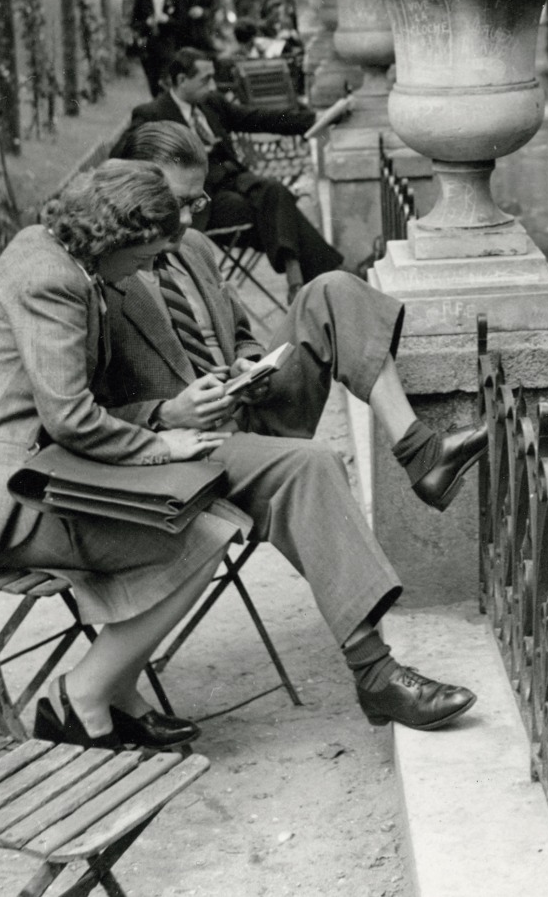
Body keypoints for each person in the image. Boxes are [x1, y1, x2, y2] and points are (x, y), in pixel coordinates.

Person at [98, 120, 489, 730]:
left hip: (242, 406)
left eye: (196, 202)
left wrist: (249, 362)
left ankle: (420, 453)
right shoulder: (105, 271)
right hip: (186, 451)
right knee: (312, 467)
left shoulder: (195, 250)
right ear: (131, 195)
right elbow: (87, 408)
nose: (189, 219)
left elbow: (240, 328)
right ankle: (376, 674)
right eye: (175, 205)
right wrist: (166, 414)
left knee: (333, 288)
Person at [0, 162, 239, 750]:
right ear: (114, 238)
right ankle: (84, 694)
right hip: (2, 501)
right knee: (205, 534)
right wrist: (159, 444)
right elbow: (70, 417)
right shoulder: (51, 278)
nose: (150, 267)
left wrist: (160, 424)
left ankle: (117, 693)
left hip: (43, 473)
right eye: (146, 253)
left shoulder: (61, 256)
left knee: (209, 517)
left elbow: (71, 411)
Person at [115, 47, 347, 295]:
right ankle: (322, 279)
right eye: (205, 79)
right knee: (280, 212)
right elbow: (122, 158)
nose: (213, 85)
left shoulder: (211, 104)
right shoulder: (153, 113)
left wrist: (317, 120)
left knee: (274, 191)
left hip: (237, 182)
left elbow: (258, 118)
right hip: (203, 202)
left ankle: (303, 281)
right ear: (182, 80)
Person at [129, 0, 183, 95]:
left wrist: (168, 20)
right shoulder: (142, 0)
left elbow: (182, 24)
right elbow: (134, 23)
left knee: (165, 81)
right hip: (149, 48)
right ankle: (157, 108)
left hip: (168, 47)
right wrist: (147, 23)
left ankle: (166, 107)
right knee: (153, 84)